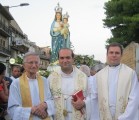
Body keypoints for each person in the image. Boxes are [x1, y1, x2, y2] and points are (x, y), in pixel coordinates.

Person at [89, 42, 139, 120]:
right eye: (111, 52)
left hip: (124, 116)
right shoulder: (99, 76)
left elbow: (135, 98)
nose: (114, 55)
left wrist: (124, 118)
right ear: (107, 55)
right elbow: (93, 98)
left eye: (117, 53)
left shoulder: (130, 74)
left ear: (121, 55)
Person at [8, 52, 55, 120]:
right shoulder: (16, 83)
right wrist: (31, 110)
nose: (34, 65)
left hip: (45, 117)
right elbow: (12, 109)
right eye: (30, 62)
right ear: (24, 65)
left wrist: (45, 105)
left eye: (36, 62)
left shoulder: (44, 80)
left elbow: (51, 99)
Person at [48, 48, 90, 120]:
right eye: (62, 58)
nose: (65, 61)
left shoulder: (83, 77)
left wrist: (84, 103)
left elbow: (91, 96)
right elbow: (47, 98)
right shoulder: (51, 77)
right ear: (58, 59)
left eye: (68, 57)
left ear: (73, 59)